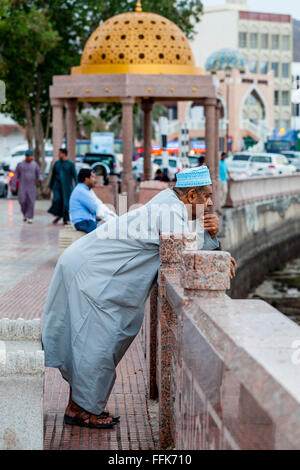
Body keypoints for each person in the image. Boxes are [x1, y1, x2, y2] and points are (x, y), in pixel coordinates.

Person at [42, 166, 236, 430]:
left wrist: (210, 239)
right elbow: (184, 256)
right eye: (208, 196)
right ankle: (81, 410)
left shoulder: (173, 206)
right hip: (91, 273)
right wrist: (213, 240)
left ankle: (80, 406)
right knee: (96, 342)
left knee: (92, 341)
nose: (211, 203)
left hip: (92, 270)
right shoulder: (171, 212)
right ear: (192, 196)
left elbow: (187, 242)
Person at [48, 148, 77, 225]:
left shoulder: (70, 164)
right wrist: (50, 186)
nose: (59, 154)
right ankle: (59, 215)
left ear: (64, 154)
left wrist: (77, 186)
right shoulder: (56, 163)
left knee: (66, 203)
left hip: (67, 187)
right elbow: (53, 176)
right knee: (56, 200)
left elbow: (75, 175)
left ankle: (65, 219)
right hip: (57, 186)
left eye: (60, 153)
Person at [14, 150, 43, 224]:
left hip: (32, 187)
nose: (32, 157)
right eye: (30, 156)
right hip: (22, 186)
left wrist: (40, 178)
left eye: (32, 156)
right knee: (22, 201)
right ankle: (25, 215)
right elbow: (16, 175)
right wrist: (13, 186)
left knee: (31, 202)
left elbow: (39, 173)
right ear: (26, 156)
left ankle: (30, 217)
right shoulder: (20, 165)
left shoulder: (34, 165)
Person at [69, 169, 98, 234]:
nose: (95, 180)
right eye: (92, 177)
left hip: (84, 222)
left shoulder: (81, 189)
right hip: (83, 223)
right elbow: (95, 209)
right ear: (86, 179)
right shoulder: (81, 191)